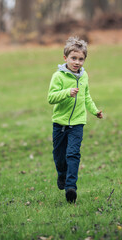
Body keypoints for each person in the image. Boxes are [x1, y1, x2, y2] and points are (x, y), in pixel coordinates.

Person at [47, 36, 103, 203]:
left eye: (81, 59)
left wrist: (94, 111)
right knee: (59, 156)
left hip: (78, 123)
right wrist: (67, 93)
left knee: (73, 154)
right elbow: (51, 98)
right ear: (65, 58)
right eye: (73, 58)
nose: (77, 62)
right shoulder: (58, 76)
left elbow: (86, 97)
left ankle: (71, 187)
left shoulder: (84, 77)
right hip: (59, 123)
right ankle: (62, 175)